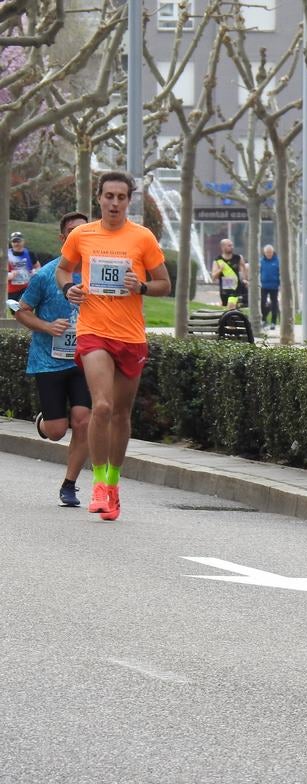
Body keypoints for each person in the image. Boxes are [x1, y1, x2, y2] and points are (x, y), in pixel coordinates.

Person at [56, 171, 171, 522]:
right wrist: (68, 289)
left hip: (130, 335)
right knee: (101, 406)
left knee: (121, 414)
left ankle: (114, 484)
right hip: (93, 330)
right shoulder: (81, 234)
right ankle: (98, 485)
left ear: (129, 200)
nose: (115, 203)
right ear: (99, 198)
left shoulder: (142, 238)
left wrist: (141, 287)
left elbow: (165, 284)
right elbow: (64, 270)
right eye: (109, 196)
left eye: (121, 197)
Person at [12, 211, 91, 507]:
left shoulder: (96, 272)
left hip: (85, 360)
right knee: (58, 431)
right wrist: (47, 327)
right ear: (63, 239)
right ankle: (44, 422)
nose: (79, 237)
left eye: (84, 231)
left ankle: (69, 485)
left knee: (83, 421)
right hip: (49, 360)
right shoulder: (47, 275)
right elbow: (21, 311)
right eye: (72, 232)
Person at [210, 238, 248, 308]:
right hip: (224, 290)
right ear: (223, 247)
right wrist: (220, 270)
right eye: (229, 246)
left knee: (231, 306)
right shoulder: (217, 260)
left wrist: (245, 279)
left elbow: (244, 269)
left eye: (232, 245)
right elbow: (213, 277)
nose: (232, 247)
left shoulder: (238, 258)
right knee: (227, 309)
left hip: (236, 288)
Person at [8, 230, 40, 309]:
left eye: (18, 241)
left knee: (25, 309)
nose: (16, 243)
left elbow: (38, 267)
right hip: (11, 289)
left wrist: (35, 272)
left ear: (23, 241)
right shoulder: (6, 255)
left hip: (26, 288)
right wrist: (9, 275)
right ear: (11, 243)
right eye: (14, 241)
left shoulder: (30, 254)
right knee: (14, 311)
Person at [259, 244, 280, 330]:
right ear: (264, 253)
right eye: (267, 252)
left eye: (270, 252)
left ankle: (273, 322)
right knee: (263, 302)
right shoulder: (261, 261)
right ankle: (264, 319)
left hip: (274, 286)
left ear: (273, 252)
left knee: (274, 303)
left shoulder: (277, 261)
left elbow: (280, 272)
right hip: (264, 285)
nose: (269, 254)